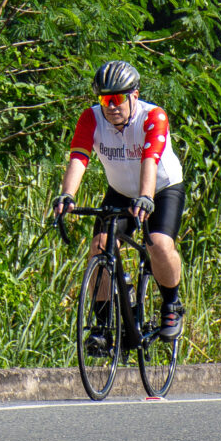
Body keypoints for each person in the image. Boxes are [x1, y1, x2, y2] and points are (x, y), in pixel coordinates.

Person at [54, 60, 186, 348]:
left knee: (159, 244)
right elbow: (79, 157)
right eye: (105, 100)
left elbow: (150, 159)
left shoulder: (153, 116)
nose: (111, 106)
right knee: (100, 246)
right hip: (120, 190)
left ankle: (172, 304)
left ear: (134, 95)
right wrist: (67, 194)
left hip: (161, 188)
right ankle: (102, 327)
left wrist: (146, 197)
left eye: (117, 98)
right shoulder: (91, 118)